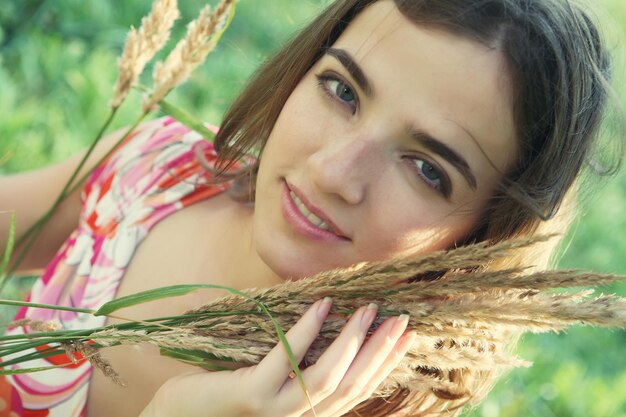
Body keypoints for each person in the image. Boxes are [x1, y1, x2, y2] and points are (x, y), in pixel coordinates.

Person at [0, 0, 618, 416]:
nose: (331, 173)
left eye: (428, 169)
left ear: (484, 237)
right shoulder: (157, 174)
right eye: (340, 89)